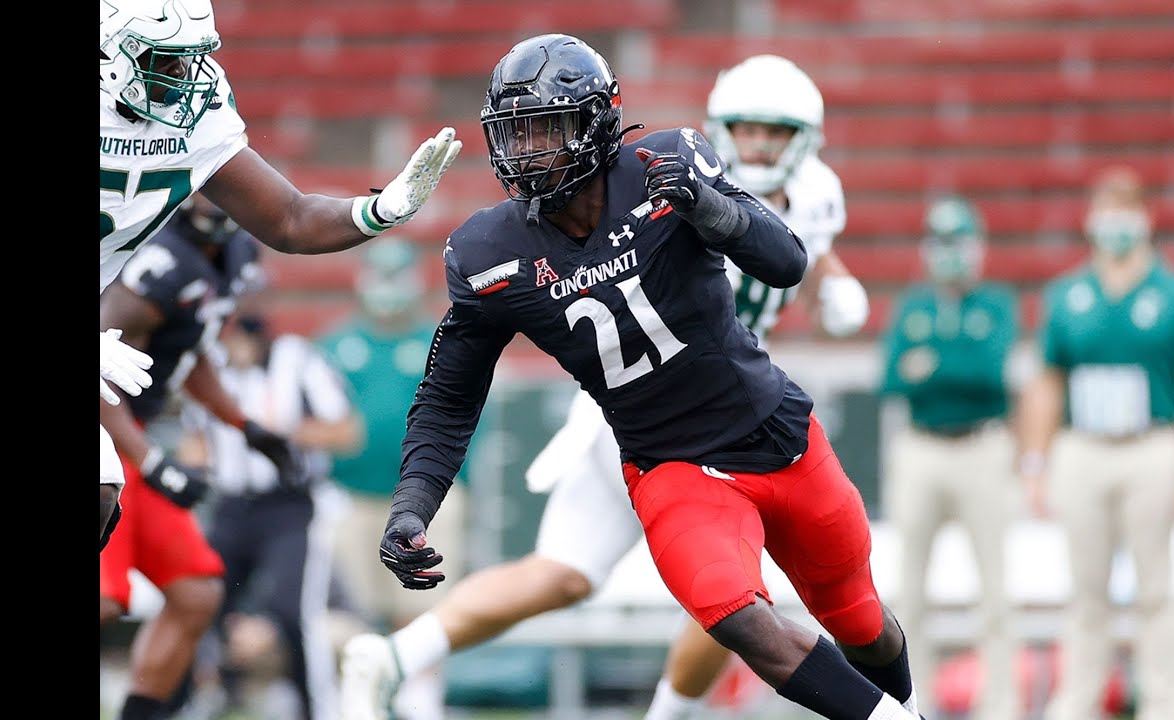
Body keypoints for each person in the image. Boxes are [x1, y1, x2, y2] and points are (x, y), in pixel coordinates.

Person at [352, 33, 924, 720]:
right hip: (667, 462)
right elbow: (448, 398)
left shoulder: (667, 163)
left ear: (596, 123)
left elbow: (787, 262)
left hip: (774, 433)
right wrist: (412, 506)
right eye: (515, 133)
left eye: (547, 129)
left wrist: (712, 209)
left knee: (859, 619)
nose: (528, 151)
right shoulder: (487, 251)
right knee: (735, 615)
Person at [98, 0, 462, 552]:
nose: (182, 76)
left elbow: (289, 218)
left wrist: (379, 210)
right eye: (163, 59)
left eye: (189, 58)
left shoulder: (197, 112)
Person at [99, 195, 301, 720]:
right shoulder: (158, 261)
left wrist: (244, 425)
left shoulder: (237, 252)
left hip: (131, 438)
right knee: (104, 599)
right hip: (108, 438)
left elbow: (189, 350)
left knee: (195, 591)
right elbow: (101, 372)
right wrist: (153, 462)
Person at [1017, 165, 1174, 720]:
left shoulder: (1169, 292)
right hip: (1084, 447)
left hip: (1150, 444)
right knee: (1087, 590)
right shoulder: (1069, 294)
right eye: (1106, 210)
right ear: (1090, 220)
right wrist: (1036, 460)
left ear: (1146, 218)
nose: (1115, 222)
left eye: (1125, 209)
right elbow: (1048, 381)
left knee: (1155, 588)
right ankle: (1078, 701)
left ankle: (1164, 702)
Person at [179, 311, 363, 720]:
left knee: (291, 611)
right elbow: (197, 443)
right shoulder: (208, 366)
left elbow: (348, 431)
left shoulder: (297, 361)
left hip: (288, 505)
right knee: (199, 601)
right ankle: (202, 698)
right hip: (230, 505)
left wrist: (280, 433)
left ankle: (314, 709)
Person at [319, 238, 474, 720]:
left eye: (395, 276)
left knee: (423, 601)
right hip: (351, 494)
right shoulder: (333, 347)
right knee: (351, 610)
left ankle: (420, 699)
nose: (387, 288)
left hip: (428, 497)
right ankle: (359, 698)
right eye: (380, 276)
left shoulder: (438, 340)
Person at [878, 197, 1020, 720]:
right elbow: (891, 378)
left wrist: (932, 363)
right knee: (911, 590)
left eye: (958, 241)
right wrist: (953, 359)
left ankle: (1001, 705)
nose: (949, 253)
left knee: (995, 590)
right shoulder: (913, 305)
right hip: (922, 447)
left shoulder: (997, 303)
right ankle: (914, 703)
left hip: (982, 446)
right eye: (940, 242)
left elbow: (990, 374)